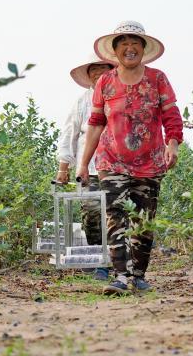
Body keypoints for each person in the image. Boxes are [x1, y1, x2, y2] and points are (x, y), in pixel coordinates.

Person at [75, 21, 183, 294]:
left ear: (144, 49)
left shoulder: (157, 79)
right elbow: (96, 123)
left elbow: (171, 116)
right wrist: (83, 163)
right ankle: (121, 276)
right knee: (115, 215)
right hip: (111, 160)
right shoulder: (105, 82)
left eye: (135, 43)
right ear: (115, 51)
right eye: (123, 43)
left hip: (149, 161)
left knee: (143, 220)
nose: (129, 48)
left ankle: (139, 274)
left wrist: (173, 144)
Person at [56, 55, 116, 279]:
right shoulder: (82, 101)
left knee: (115, 214)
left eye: (103, 68)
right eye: (94, 70)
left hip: (116, 167)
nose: (99, 73)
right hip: (87, 168)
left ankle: (114, 262)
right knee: (91, 215)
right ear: (89, 76)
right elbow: (69, 134)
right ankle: (99, 259)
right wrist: (63, 168)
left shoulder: (120, 97)